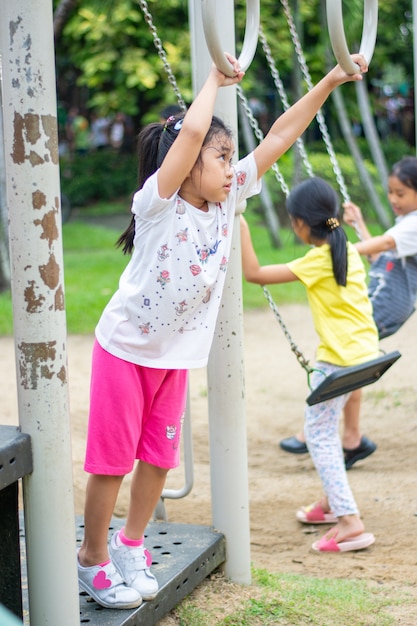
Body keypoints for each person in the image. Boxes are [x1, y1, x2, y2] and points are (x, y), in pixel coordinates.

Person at [77, 51, 369, 608]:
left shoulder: (227, 196)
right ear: (187, 166)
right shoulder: (158, 204)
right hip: (125, 351)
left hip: (173, 360)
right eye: (221, 155)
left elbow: (283, 133)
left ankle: (130, 544)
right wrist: (212, 79)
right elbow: (189, 135)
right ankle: (92, 557)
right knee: (112, 462)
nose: (233, 166)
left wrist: (331, 79)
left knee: (160, 459)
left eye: (233, 156)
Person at [240, 177, 377, 552]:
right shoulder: (345, 247)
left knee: (317, 435)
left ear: (300, 224)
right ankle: (334, 504)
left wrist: (239, 221)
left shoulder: (319, 258)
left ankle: (350, 522)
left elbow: (254, 274)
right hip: (366, 356)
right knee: (325, 429)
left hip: (340, 362)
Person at [280, 156, 417, 467]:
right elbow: (380, 259)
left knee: (348, 359)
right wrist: (357, 227)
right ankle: (352, 437)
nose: (393, 199)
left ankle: (335, 433)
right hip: (385, 298)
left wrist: (331, 252)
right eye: (391, 192)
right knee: (352, 362)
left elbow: (380, 245)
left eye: (401, 193)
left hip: (388, 301)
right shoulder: (405, 223)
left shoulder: (414, 223)